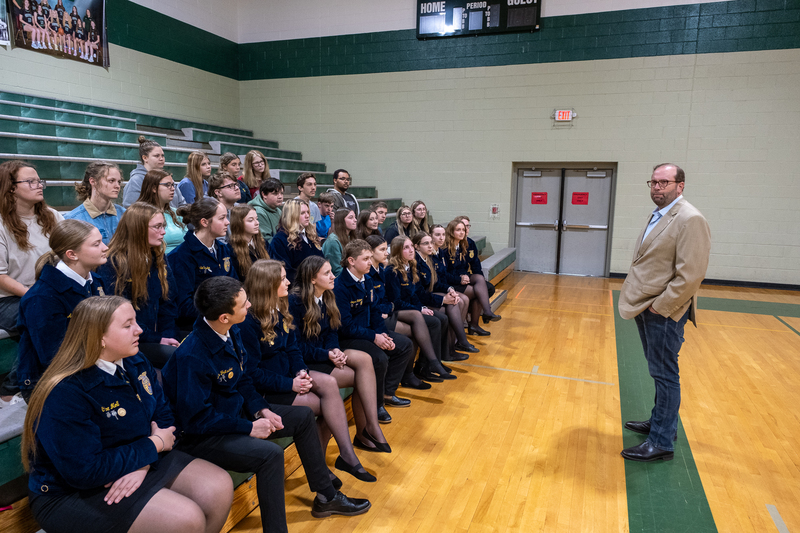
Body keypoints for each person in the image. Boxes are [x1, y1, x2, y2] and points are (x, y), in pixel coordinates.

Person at [161, 277, 371, 533]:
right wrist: (249, 427)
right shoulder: (192, 355)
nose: (249, 305)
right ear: (224, 317)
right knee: (270, 456)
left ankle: (326, 497)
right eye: (243, 303)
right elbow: (197, 420)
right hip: (205, 434)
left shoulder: (230, 330)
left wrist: (262, 409)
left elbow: (243, 381)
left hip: (234, 416)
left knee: (303, 417)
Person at [22, 296, 233, 533]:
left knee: (218, 487)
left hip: (138, 460)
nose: (140, 330)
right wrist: (152, 446)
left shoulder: (136, 360)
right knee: (186, 519)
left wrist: (144, 461)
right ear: (99, 337)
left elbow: (164, 418)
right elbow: (84, 470)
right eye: (128, 325)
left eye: (136, 321)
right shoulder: (64, 391)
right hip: (73, 492)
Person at [240, 260, 376, 483]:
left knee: (331, 390)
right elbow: (252, 374)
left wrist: (301, 371)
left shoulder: (280, 309)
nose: (287, 281)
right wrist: (290, 384)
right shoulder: (249, 322)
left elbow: (293, 350)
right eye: (282, 278)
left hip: (288, 377)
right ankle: (330, 466)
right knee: (327, 404)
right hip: (270, 389)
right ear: (267, 284)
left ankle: (339, 458)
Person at [619, 163, 711, 462]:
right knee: (659, 371)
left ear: (680, 185)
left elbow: (691, 274)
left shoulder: (690, 218)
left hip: (663, 310)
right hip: (648, 304)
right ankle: (660, 423)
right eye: (653, 182)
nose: (657, 187)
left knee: (665, 374)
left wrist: (662, 307)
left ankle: (661, 442)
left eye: (664, 183)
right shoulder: (661, 214)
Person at [289, 256, 391, 452]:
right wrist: (327, 355)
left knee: (364, 364)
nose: (333, 276)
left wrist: (334, 349)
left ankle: (368, 427)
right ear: (312, 279)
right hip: (308, 360)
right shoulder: (295, 302)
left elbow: (332, 332)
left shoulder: (327, 296)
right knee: (358, 378)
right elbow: (297, 347)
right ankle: (365, 431)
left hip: (324, 354)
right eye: (327, 273)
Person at [14, 220, 107, 401]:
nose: (105, 247)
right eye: (96, 244)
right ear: (72, 254)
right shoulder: (42, 298)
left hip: (92, 363)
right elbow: (54, 356)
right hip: (51, 378)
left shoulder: (96, 281)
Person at [334, 240, 414, 424]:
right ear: (351, 261)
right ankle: (377, 405)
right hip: (348, 338)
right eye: (366, 258)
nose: (371, 262)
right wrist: (374, 337)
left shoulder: (367, 279)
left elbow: (375, 311)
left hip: (369, 332)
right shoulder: (340, 287)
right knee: (379, 358)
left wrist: (381, 333)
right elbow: (344, 326)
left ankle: (387, 393)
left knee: (403, 345)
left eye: (371, 257)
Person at [98, 203, 181, 368]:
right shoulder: (114, 263)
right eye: (157, 227)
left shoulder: (157, 255)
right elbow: (117, 316)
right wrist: (157, 339)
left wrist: (167, 336)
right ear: (138, 229)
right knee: (179, 357)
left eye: (163, 226)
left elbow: (169, 302)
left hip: (155, 335)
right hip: (130, 340)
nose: (163, 232)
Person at [0, 160, 63, 337]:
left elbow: (72, 249)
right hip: (8, 299)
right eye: (30, 182)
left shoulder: (52, 215)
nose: (39, 185)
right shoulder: (1, 224)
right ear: (11, 188)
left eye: (39, 181)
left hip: (47, 291)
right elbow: (0, 276)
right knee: (44, 313)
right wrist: (35, 294)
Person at [385, 236, 455, 384]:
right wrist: (419, 309)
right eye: (406, 248)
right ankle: (429, 364)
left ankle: (427, 365)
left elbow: (417, 294)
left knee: (440, 319)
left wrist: (421, 307)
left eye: (411, 246)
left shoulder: (410, 266)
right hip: (396, 312)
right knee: (432, 322)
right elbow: (396, 302)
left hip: (411, 309)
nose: (411, 250)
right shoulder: (392, 271)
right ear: (397, 251)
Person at [167, 198, 237, 326]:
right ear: (204, 222)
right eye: (221, 218)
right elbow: (184, 305)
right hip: (198, 325)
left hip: (226, 319)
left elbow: (234, 286)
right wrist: (219, 313)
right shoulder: (181, 256)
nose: (227, 222)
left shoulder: (223, 249)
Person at [412, 231, 477, 358]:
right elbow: (419, 293)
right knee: (452, 306)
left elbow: (436, 283)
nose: (430, 246)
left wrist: (449, 289)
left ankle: (453, 346)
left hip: (429, 295)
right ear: (417, 246)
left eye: (431, 242)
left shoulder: (428, 259)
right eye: (426, 243)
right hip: (420, 301)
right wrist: (442, 300)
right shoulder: (415, 263)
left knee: (456, 301)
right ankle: (453, 347)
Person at [441, 219, 500, 337]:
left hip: (464, 277)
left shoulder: (465, 244)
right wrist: (460, 279)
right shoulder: (444, 249)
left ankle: (485, 313)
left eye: (464, 229)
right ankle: (475, 323)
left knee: (479, 279)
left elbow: (475, 265)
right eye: (458, 230)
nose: (462, 232)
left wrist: (467, 278)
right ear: (451, 231)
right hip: (451, 282)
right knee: (478, 292)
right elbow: (444, 274)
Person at [65, 161, 125, 245]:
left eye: (119, 182)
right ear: (93, 181)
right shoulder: (73, 219)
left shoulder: (125, 214)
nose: (117, 186)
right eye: (111, 181)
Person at [268, 199, 323, 284]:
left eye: (308, 212)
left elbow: (321, 260)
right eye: (302, 213)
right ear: (292, 216)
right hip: (298, 288)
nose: (307, 216)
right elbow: (286, 272)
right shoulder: (280, 240)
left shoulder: (311, 235)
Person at [123, 136, 185, 208]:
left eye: (162, 155)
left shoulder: (168, 179)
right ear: (145, 158)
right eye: (157, 156)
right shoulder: (136, 181)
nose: (161, 159)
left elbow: (182, 204)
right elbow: (130, 208)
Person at [136, 169, 186, 253]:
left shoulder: (176, 213)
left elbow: (187, 239)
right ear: (154, 188)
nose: (173, 189)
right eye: (168, 185)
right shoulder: (140, 214)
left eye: (173, 185)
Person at [457, 215, 496, 299]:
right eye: (464, 226)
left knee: (488, 288)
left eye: (468, 226)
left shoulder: (471, 243)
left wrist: (481, 280)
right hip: (456, 278)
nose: (466, 228)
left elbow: (476, 264)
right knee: (478, 292)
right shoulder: (454, 245)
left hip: (466, 276)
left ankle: (477, 310)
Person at [228, 204, 269, 282]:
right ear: (239, 224)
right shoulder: (231, 249)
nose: (257, 223)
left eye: (257, 219)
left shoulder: (264, 243)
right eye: (251, 220)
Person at [322, 208, 356, 277]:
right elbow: (336, 270)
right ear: (341, 221)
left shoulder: (350, 237)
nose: (355, 220)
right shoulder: (333, 241)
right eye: (351, 218)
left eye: (355, 217)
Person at [248, 178, 283, 244]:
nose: (280, 197)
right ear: (264, 194)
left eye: (281, 193)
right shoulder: (258, 212)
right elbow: (266, 240)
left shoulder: (277, 210)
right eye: (275, 194)